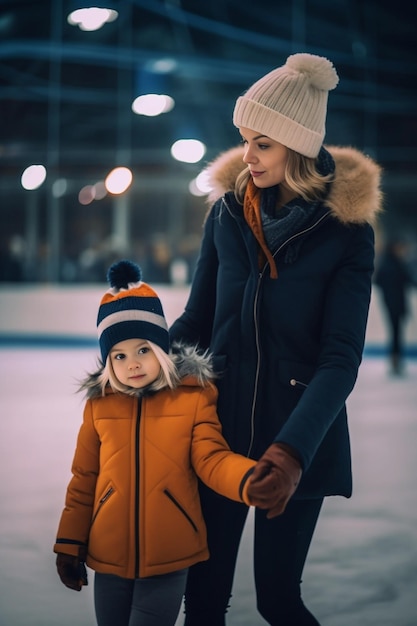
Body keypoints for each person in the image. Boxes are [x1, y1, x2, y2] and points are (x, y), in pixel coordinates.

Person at [169, 52, 383, 625]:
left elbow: (340, 359)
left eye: (263, 143)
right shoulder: (226, 215)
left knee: (279, 601)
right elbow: (197, 321)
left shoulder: (346, 234)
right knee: (204, 600)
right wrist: (138, 356)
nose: (248, 156)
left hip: (292, 440)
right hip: (218, 432)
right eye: (244, 140)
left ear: (297, 145)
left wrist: (290, 453)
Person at [53, 259, 258, 626]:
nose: (132, 363)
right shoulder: (100, 406)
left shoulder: (193, 398)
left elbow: (212, 458)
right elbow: (84, 479)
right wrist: (69, 543)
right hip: (109, 556)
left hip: (170, 555)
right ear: (108, 362)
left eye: (143, 349)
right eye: (119, 355)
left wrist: (249, 478)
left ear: (162, 349)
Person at [374, 237, 415, 375]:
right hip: (395, 305)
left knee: (396, 333)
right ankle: (396, 362)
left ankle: (396, 361)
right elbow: (410, 280)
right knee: (396, 333)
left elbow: (379, 281)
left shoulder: (389, 264)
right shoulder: (396, 265)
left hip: (392, 304)